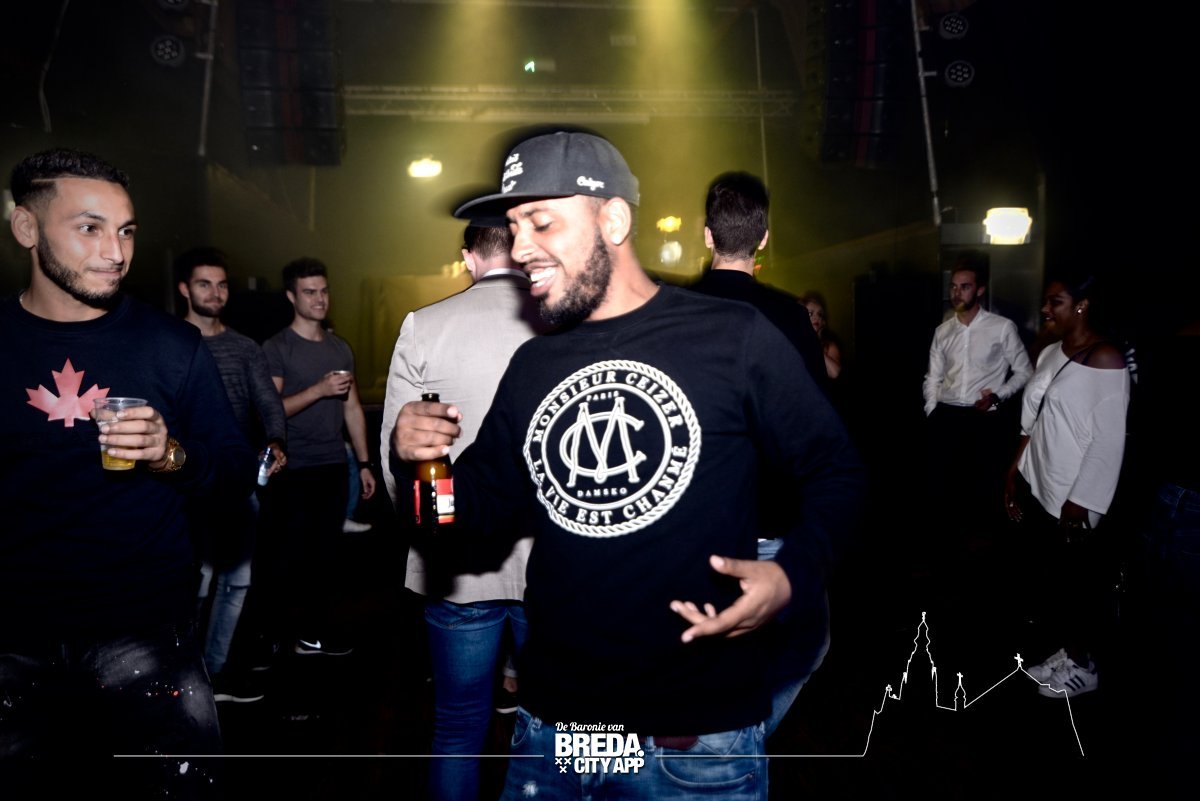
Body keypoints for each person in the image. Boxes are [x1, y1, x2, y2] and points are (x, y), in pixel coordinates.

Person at [392, 131, 865, 800]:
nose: (519, 247)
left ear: (613, 220)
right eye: (514, 226)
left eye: (540, 221)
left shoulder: (730, 336)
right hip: (556, 729)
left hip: (693, 739)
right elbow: (460, 518)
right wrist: (421, 463)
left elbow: (837, 470)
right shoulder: (535, 364)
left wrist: (793, 573)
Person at [0, 149, 254, 793]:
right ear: (26, 227)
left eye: (127, 231)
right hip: (14, 634)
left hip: (143, 627)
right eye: (89, 228)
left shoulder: (171, 345)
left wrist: (170, 454)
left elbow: (232, 475)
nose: (115, 252)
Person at [381, 222, 548, 801]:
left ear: (468, 258)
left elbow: (398, 457)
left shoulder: (425, 325)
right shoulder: (558, 320)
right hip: (551, 564)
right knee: (558, 727)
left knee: (457, 725)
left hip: (457, 560)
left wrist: (420, 539)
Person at [1003, 275, 1130, 698]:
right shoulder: (1051, 352)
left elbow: (1108, 441)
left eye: (1054, 301)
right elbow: (1034, 420)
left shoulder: (1106, 358)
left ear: (1081, 305)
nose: (1045, 310)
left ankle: (1084, 668)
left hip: (1074, 494)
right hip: (1042, 481)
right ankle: (1069, 652)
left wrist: (1081, 501)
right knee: (1057, 583)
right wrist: (1014, 470)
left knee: (1078, 586)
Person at [177, 247, 287, 700]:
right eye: (204, 284)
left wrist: (276, 440)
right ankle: (181, 676)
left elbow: (268, 402)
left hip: (239, 480)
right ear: (184, 289)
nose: (215, 293)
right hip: (185, 482)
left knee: (238, 581)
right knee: (195, 582)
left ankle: (215, 674)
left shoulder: (244, 347)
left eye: (222, 284)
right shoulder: (170, 341)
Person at [262, 258, 376, 657]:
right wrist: (319, 390)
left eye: (324, 291)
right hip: (291, 468)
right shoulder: (278, 348)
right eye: (310, 292)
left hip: (332, 466)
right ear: (291, 297)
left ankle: (313, 634)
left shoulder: (339, 347)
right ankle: (273, 640)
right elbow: (271, 409)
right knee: (286, 558)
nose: (320, 299)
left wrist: (364, 463)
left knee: (325, 556)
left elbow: (353, 409)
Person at [690, 171, 829, 394]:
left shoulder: (672, 310)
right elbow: (818, 403)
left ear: (708, 236)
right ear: (763, 239)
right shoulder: (792, 317)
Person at [924, 253, 1032, 535]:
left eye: (965, 286)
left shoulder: (1001, 327)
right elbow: (932, 377)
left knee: (982, 492)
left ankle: (982, 548)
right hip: (947, 416)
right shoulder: (943, 331)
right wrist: (932, 411)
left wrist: (998, 395)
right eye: (953, 286)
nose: (956, 293)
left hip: (982, 418)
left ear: (980, 289)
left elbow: (1024, 371)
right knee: (943, 491)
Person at [801, 292, 842, 381]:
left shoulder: (829, 345)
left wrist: (814, 344)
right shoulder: (793, 341)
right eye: (810, 314)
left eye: (820, 314)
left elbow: (834, 373)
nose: (817, 318)